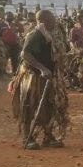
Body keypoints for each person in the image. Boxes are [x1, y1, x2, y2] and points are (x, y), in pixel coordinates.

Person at [13, 10, 67, 149]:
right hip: (33, 77)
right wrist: (42, 68)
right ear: (45, 22)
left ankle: (48, 137)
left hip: (47, 77)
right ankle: (27, 137)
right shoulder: (36, 35)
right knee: (29, 107)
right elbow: (25, 53)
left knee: (48, 106)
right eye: (52, 19)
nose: (55, 21)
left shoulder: (50, 34)